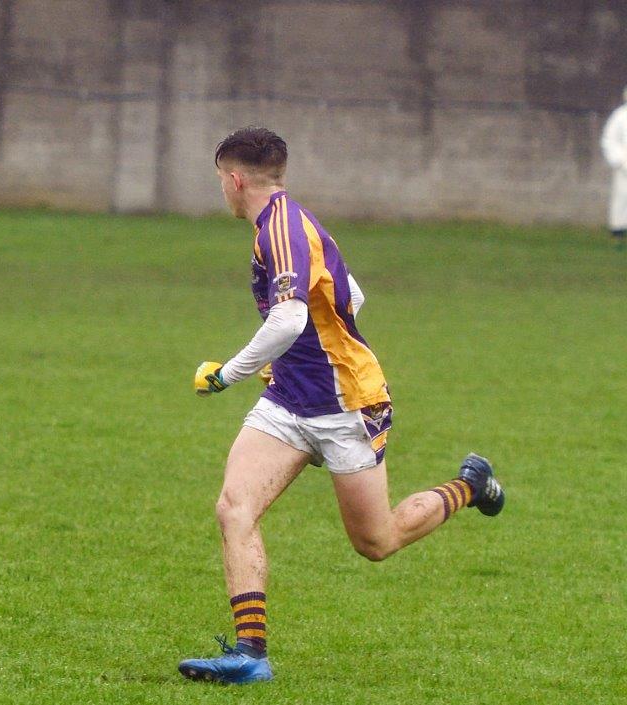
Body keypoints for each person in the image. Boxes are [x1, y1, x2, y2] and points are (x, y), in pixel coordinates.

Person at [177, 127, 505, 685]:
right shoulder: (292, 222)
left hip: (345, 405)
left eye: (220, 183)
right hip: (287, 399)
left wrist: (227, 374)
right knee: (235, 508)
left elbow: (288, 318)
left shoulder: (280, 229)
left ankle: (471, 486)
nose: (223, 193)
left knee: (376, 542)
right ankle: (250, 654)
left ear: (234, 180)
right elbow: (351, 294)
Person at [600, 86, 627, 251]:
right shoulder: (620, 116)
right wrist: (619, 160)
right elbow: (609, 139)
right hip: (624, 167)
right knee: (622, 198)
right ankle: (618, 233)